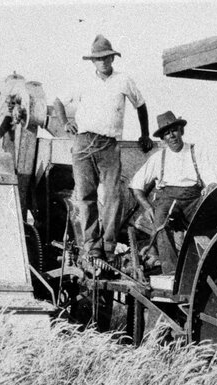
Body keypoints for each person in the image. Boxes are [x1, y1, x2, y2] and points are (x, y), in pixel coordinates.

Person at [53, 33, 154, 267]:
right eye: (99, 59)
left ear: (112, 59)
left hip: (109, 144)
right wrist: (65, 123)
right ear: (93, 62)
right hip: (83, 142)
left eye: (107, 58)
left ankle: (108, 247)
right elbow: (58, 101)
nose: (104, 62)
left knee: (112, 195)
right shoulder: (81, 82)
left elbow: (141, 105)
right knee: (86, 196)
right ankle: (92, 247)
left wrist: (145, 134)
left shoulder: (124, 80)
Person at [129, 111, 217, 275]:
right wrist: (148, 207)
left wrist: (210, 186)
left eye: (174, 131)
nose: (171, 136)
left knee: (210, 219)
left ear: (181, 131)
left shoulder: (196, 152)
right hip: (168, 200)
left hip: (194, 199)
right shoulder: (158, 158)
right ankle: (171, 272)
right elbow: (136, 186)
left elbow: (213, 179)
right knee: (160, 223)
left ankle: (207, 269)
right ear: (163, 138)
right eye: (166, 133)